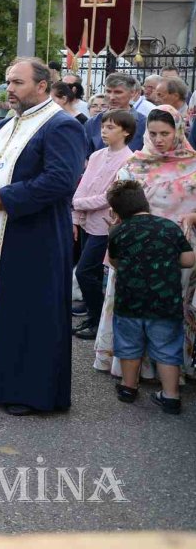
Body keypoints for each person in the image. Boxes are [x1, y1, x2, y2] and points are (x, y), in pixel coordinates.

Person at [0, 57, 87, 415]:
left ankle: (27, 392)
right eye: (8, 82)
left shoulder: (61, 126)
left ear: (42, 86)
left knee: (28, 311)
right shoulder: (3, 125)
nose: (9, 89)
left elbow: (61, 180)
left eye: (17, 83)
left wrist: (5, 197)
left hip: (35, 235)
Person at [95, 106, 196, 380]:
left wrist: (192, 215)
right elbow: (116, 201)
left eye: (165, 133)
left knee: (171, 308)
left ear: (178, 130)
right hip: (136, 247)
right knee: (130, 306)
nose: (159, 139)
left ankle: (172, 374)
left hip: (177, 248)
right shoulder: (134, 164)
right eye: (153, 133)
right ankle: (130, 372)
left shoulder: (194, 163)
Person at [105, 179, 192, 415]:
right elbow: (188, 260)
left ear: (117, 211)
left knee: (128, 346)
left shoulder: (119, 232)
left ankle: (128, 387)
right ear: (145, 202)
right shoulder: (169, 227)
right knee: (166, 348)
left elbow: (114, 262)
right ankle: (171, 396)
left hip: (129, 302)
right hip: (165, 303)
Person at [70, 110, 136, 339]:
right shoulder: (98, 155)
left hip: (104, 224)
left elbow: (110, 196)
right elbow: (84, 184)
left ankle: (98, 319)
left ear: (126, 132)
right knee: (92, 272)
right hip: (87, 220)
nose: (104, 131)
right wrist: (75, 218)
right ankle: (92, 316)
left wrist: (76, 203)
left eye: (111, 127)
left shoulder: (129, 160)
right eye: (103, 127)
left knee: (86, 272)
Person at [84, 73, 147, 154]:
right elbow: (85, 156)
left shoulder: (144, 124)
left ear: (133, 93)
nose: (112, 97)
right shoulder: (93, 122)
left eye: (118, 92)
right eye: (108, 91)